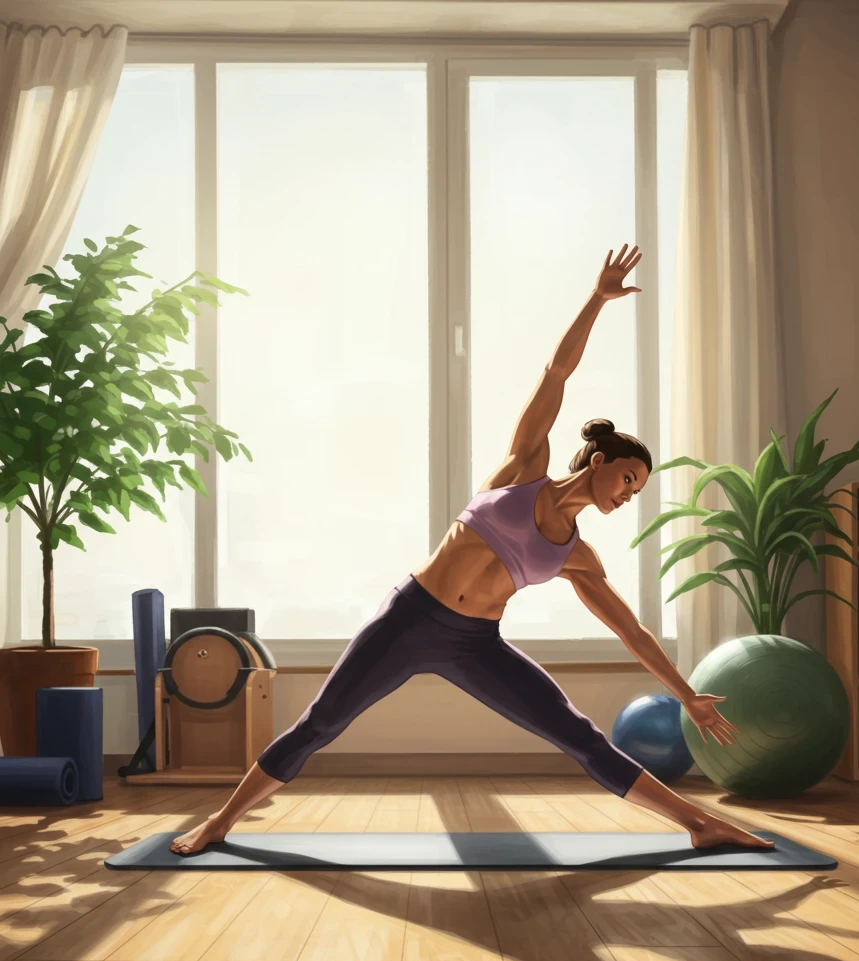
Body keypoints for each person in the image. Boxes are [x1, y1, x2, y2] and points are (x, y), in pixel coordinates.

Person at [171, 245, 773, 856]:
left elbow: (633, 633)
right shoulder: (523, 468)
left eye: (637, 491)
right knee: (320, 724)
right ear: (600, 461)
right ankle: (219, 824)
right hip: (408, 619)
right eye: (628, 480)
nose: (628, 495)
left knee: (578, 735)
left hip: (474, 645)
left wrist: (686, 694)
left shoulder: (578, 557)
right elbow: (555, 374)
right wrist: (597, 300)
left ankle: (698, 823)